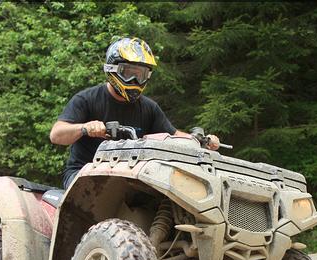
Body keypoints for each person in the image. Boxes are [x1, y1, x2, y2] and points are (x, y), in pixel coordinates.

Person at [50, 37, 218, 188]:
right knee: (106, 192)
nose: (135, 80)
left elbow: (175, 136)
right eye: (128, 73)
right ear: (112, 69)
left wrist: (202, 142)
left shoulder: (149, 108)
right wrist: (84, 128)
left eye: (140, 75)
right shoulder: (86, 99)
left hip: (129, 176)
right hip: (84, 172)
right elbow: (56, 135)